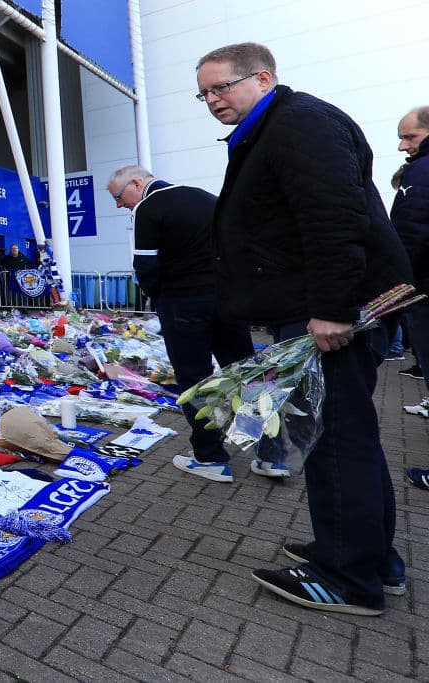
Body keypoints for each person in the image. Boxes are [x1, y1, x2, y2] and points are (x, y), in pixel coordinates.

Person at [195, 42, 412, 616]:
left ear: (262, 77)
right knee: (342, 436)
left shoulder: (298, 124)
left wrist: (333, 307)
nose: (211, 99)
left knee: (335, 439)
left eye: (220, 87)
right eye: (204, 93)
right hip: (316, 306)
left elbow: (333, 217)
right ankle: (370, 557)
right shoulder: (278, 126)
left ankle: (349, 577)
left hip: (330, 313)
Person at [107, 165, 283, 483]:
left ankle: (210, 457)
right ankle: (272, 453)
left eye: (119, 197)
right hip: (226, 300)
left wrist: (157, 295)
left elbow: (146, 266)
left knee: (195, 379)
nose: (120, 205)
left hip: (182, 303)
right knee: (245, 371)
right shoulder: (205, 197)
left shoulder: (149, 207)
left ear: (136, 183)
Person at [391, 108, 429, 425]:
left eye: (410, 137)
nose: (403, 146)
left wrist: (398, 285)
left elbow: (411, 233)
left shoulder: (421, 170)